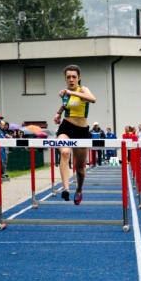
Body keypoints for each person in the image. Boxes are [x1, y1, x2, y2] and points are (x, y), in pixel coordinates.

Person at [53, 64, 96, 205]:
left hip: (82, 131)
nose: (71, 80)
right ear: (65, 79)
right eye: (68, 77)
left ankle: (79, 189)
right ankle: (65, 189)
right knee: (64, 152)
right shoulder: (65, 93)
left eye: (74, 77)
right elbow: (67, 104)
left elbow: (92, 99)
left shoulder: (82, 89)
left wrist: (72, 93)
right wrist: (59, 113)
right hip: (66, 127)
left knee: (80, 169)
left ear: (79, 78)